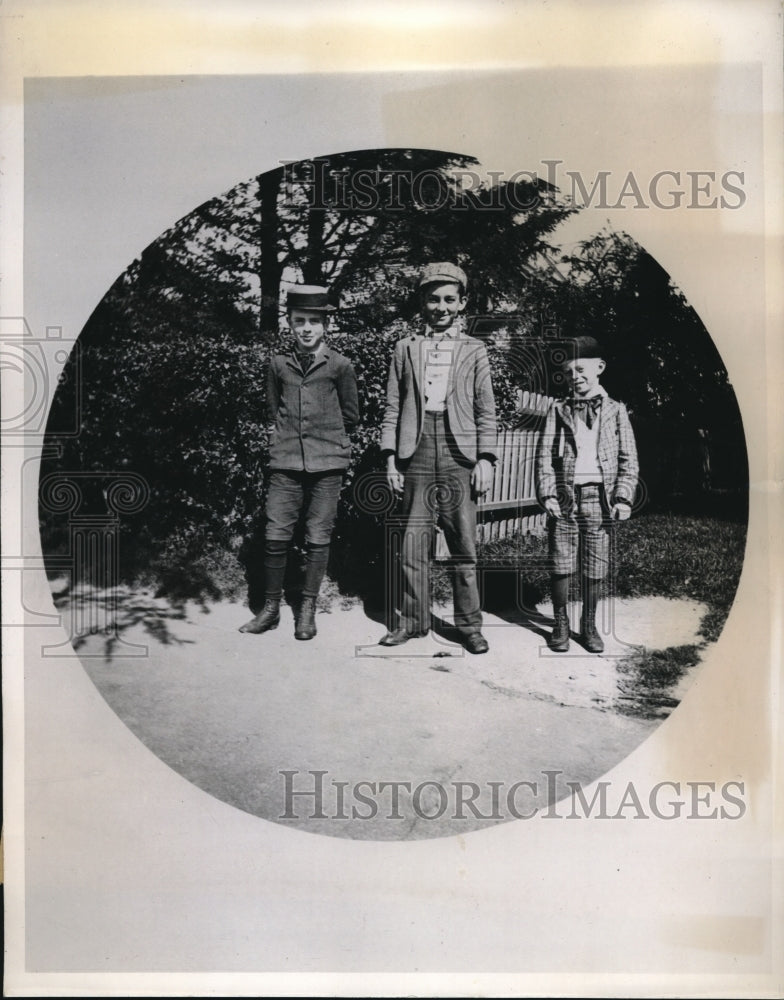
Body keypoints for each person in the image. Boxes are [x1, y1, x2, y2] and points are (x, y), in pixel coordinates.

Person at [379, 262, 497, 653]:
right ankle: (413, 621)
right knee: (413, 542)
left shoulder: (475, 350)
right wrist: (391, 457)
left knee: (463, 543)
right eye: (433, 298)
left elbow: (486, 409)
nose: (441, 306)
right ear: (422, 303)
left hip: (458, 452)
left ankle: (469, 626)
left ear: (462, 304)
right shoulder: (405, 348)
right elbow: (392, 407)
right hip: (416, 448)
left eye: (450, 299)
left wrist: (486, 458)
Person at [240, 284, 359, 640]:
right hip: (286, 460)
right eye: (299, 321)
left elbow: (351, 414)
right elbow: (274, 409)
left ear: (326, 325)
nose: (307, 328)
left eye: (314, 321)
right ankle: (271, 608)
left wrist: (326, 438)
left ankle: (306, 608)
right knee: (275, 533)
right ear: (290, 324)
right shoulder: (278, 364)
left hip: (328, 462)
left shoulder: (340, 365)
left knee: (317, 535)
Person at [536, 336, 639, 653]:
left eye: (580, 369)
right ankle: (561, 623)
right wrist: (549, 494)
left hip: (600, 499)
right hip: (566, 497)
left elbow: (628, 459)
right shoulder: (558, 410)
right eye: (568, 373)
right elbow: (544, 458)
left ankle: (589, 623)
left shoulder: (616, 411)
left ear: (600, 368)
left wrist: (622, 497)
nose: (574, 377)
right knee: (561, 561)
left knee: (596, 563)